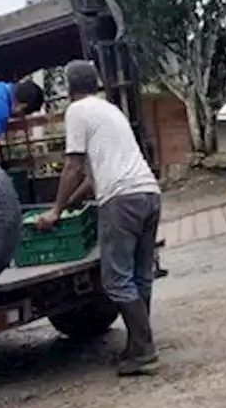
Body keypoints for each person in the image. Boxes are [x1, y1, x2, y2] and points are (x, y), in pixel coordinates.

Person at [37, 60, 162, 375]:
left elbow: (73, 166)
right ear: (96, 83)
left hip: (121, 201)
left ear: (68, 87)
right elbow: (91, 179)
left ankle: (144, 351)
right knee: (140, 275)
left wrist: (54, 210)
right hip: (148, 192)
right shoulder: (109, 110)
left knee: (116, 279)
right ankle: (138, 346)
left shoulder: (77, 111)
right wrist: (67, 207)